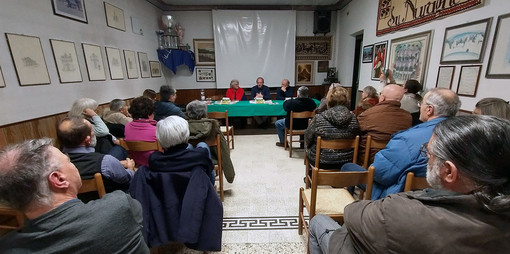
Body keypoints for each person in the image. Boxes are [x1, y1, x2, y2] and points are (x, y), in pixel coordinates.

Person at [309, 115, 510, 254]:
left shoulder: (403, 212)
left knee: (319, 221)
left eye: (428, 153)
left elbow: (353, 213)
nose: (426, 158)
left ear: (449, 172)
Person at [0, 138, 149, 253]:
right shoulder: (120, 206)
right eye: (69, 161)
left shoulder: (8, 247)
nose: (74, 165)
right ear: (59, 179)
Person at [341, 88, 461, 200]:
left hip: (400, 197)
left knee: (348, 167)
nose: (419, 108)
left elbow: (379, 172)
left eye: (421, 104)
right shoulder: (465, 136)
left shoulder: (408, 138)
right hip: (446, 199)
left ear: (429, 109)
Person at [129, 116, 222, 251]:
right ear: (186, 137)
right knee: (203, 148)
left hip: (163, 207)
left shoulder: (150, 165)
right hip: (194, 204)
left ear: (159, 140)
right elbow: (208, 178)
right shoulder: (199, 158)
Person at [57, 117, 136, 192]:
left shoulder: (53, 164)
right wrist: (130, 169)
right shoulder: (106, 162)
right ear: (87, 140)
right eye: (92, 131)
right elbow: (126, 179)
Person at [305, 86, 360, 169]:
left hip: (321, 161)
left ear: (328, 101)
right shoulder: (353, 118)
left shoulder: (319, 118)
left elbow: (308, 139)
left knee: (309, 149)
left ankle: (312, 176)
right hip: (347, 161)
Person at [357, 84, 411, 165]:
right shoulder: (408, 117)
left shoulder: (368, 114)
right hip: (395, 159)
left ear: (382, 97)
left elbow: (356, 130)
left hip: (368, 160)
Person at [186, 100, 236, 183]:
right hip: (210, 161)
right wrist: (230, 175)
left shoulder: (182, 128)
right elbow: (223, 151)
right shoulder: (214, 127)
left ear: (188, 113)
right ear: (204, 112)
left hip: (188, 162)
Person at [124, 96, 158, 166]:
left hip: (138, 163)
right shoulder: (156, 130)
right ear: (150, 114)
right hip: (156, 164)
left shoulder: (127, 126)